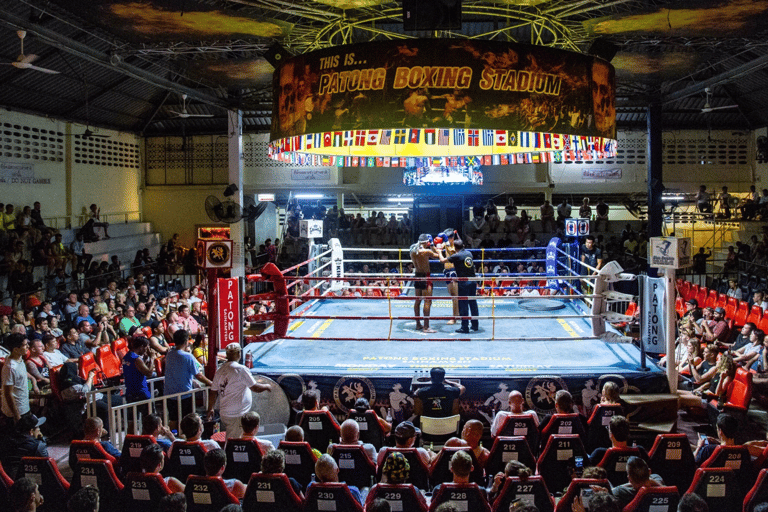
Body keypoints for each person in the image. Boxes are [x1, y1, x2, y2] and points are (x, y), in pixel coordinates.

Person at [206, 342, 272, 438]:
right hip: (235, 414)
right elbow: (255, 387)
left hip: (225, 412)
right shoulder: (240, 369)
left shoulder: (220, 370)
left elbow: (213, 392)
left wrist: (210, 408)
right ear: (238, 354)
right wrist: (267, 386)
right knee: (234, 440)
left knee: (234, 436)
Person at [164, 330, 211, 425]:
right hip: (184, 395)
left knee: (173, 419)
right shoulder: (188, 356)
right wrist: (211, 383)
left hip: (169, 394)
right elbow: (199, 375)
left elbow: (178, 371)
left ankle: (174, 436)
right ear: (186, 342)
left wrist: (192, 380)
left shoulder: (169, 354)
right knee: (187, 421)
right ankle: (184, 437)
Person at [438, 239, 478, 333]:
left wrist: (440, 252)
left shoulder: (457, 256)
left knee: (463, 304)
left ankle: (465, 327)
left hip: (464, 282)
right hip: (472, 281)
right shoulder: (469, 253)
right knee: (473, 304)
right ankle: (475, 325)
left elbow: (442, 260)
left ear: (455, 247)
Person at [2, 333, 31, 425]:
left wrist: (32, 381)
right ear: (15, 349)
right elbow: (8, 393)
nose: (27, 346)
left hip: (24, 405)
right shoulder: (10, 368)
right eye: (25, 345)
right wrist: (16, 415)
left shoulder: (19, 358)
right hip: (17, 411)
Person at [409, 234, 437, 333]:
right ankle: (426, 327)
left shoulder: (413, 251)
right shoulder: (426, 251)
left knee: (418, 301)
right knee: (427, 301)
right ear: (426, 242)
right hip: (425, 276)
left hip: (417, 275)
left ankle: (418, 324)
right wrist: (434, 245)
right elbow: (438, 256)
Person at [439, 230, 461, 325]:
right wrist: (435, 244)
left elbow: (452, 252)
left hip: (454, 271)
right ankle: (458, 314)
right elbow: (439, 248)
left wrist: (446, 243)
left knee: (455, 296)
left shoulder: (456, 245)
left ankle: (454, 318)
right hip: (447, 271)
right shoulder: (446, 243)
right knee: (452, 294)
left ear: (452, 238)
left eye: (448, 238)